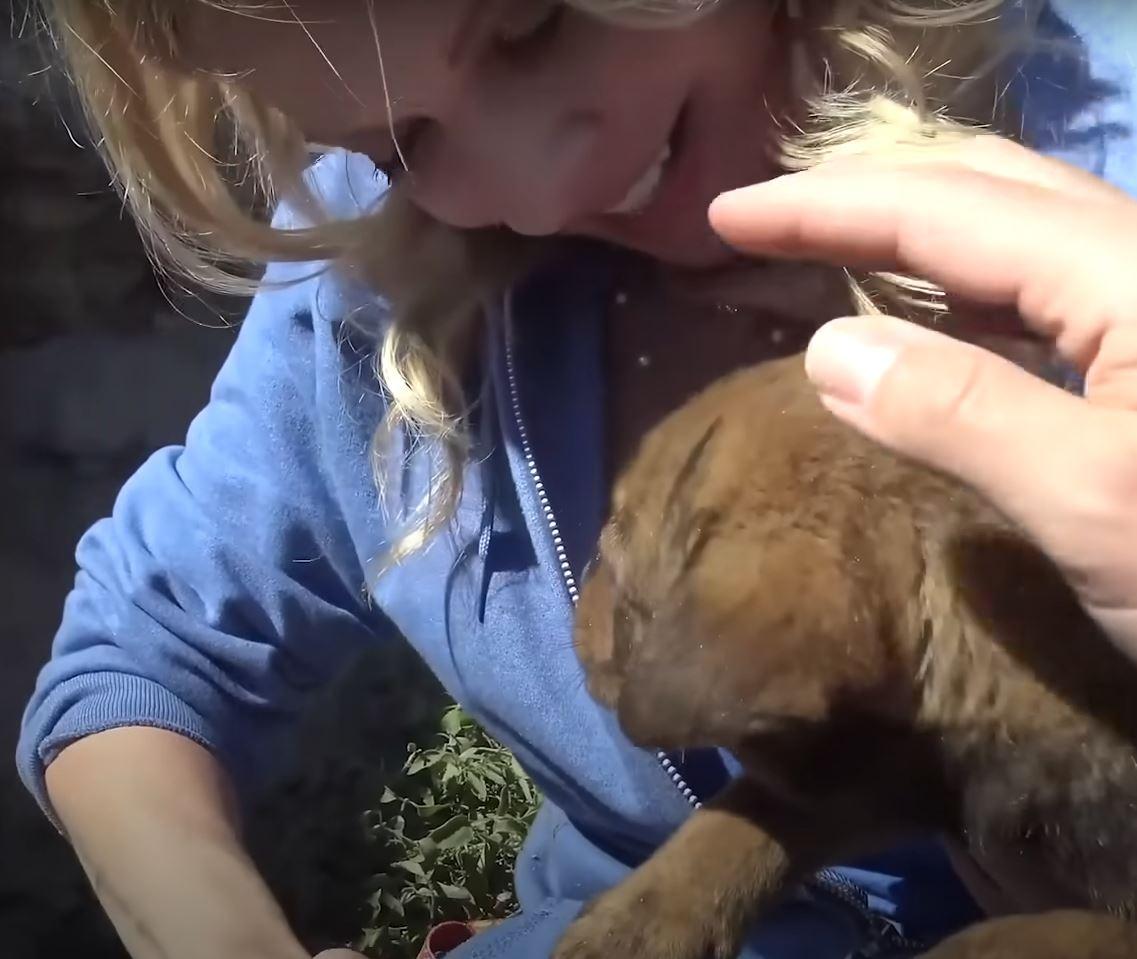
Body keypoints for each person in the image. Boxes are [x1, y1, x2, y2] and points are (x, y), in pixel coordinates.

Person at [16, 2, 1137, 958]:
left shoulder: (1101, 197)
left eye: (533, 22)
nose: (544, 192)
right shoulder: (380, 274)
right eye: (402, 139)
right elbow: (140, 651)